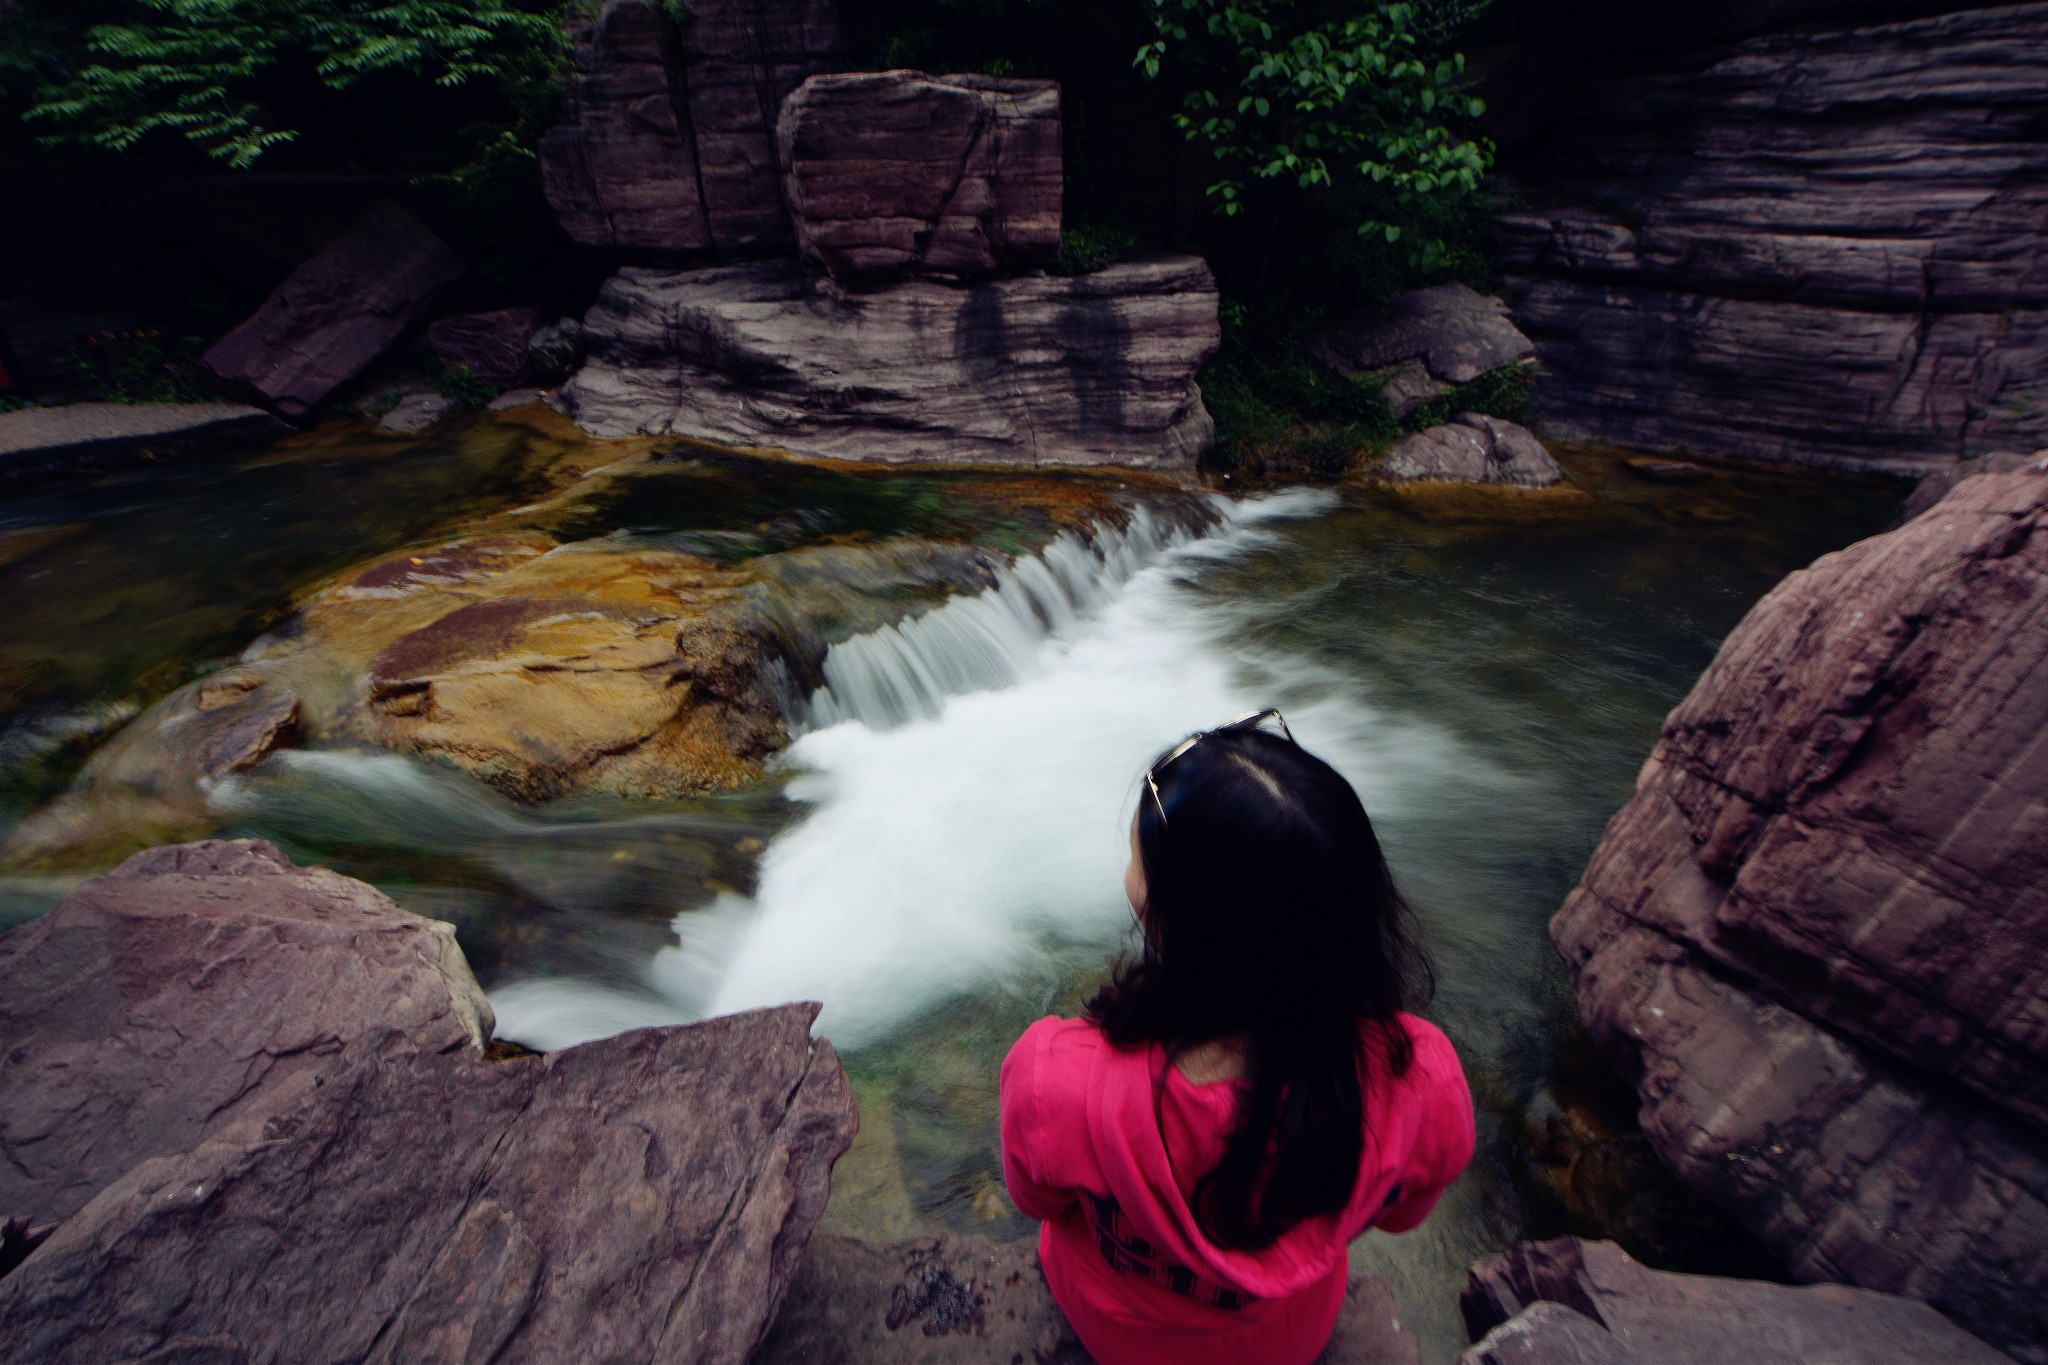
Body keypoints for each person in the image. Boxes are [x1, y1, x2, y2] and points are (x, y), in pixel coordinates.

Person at [1000, 709, 1474, 1365]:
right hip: (1285, 1337)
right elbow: (1402, 1213)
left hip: (1121, 1334)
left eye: (1139, 855)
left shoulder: (1055, 1078)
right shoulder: (1419, 1073)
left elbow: (1038, 1201)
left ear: (1162, 917)